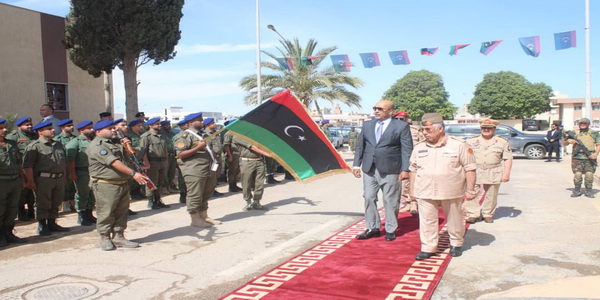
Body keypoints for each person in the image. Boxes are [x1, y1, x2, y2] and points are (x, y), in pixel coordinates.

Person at [409, 113, 477, 259]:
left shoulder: (458, 145)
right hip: (425, 189)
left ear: (440, 128)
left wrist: (470, 189)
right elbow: (413, 169)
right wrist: (412, 190)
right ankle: (428, 247)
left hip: (451, 190)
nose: (424, 133)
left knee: (454, 219)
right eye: (423, 130)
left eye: (428, 130)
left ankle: (456, 244)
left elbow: (470, 168)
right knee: (427, 220)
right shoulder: (419, 147)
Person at [352, 100, 413, 242]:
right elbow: (361, 146)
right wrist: (356, 165)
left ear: (390, 111)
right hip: (369, 168)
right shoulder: (367, 125)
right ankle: (372, 227)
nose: (376, 111)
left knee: (390, 200)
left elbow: (406, 149)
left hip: (391, 169)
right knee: (368, 197)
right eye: (375, 108)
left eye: (380, 108)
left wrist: (405, 169)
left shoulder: (401, 126)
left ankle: (390, 229)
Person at [87, 120, 145, 250]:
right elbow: (114, 163)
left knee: (122, 211)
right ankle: (105, 237)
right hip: (105, 184)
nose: (113, 130)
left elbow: (131, 157)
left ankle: (119, 236)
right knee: (106, 212)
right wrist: (133, 174)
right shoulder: (97, 145)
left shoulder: (116, 143)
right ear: (98, 132)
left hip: (121, 182)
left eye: (113, 128)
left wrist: (127, 147)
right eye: (110, 128)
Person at [22, 121, 69, 236]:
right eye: (49, 128)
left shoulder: (58, 145)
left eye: (52, 128)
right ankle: (42, 225)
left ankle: (52, 223)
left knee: (56, 201)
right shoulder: (35, 146)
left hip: (58, 178)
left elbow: (62, 162)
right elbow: (28, 166)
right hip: (43, 179)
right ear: (40, 132)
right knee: (43, 202)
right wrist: (31, 181)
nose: (53, 130)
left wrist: (63, 176)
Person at [174, 113, 221, 227]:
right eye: (199, 120)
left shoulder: (203, 135)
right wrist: (198, 147)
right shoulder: (184, 136)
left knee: (206, 193)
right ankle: (195, 219)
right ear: (190, 123)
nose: (202, 122)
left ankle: (204, 216)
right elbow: (181, 154)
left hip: (207, 168)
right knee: (195, 194)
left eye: (202, 120)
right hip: (194, 170)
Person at [465, 119, 513, 224]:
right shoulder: (471, 141)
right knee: (471, 191)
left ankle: (487, 214)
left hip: (493, 170)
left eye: (489, 128)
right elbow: (464, 158)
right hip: (474, 170)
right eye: (483, 128)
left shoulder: (502, 142)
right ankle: (473, 214)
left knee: (491, 194)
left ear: (494, 129)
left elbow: (508, 158)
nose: (486, 129)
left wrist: (506, 173)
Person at [0, 118, 27, 246]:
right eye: (1, 128)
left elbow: (18, 163)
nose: (4, 130)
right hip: (1, 181)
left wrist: (22, 179)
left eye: (4, 127)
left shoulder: (12, 144)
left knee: (12, 208)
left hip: (14, 180)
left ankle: (8, 233)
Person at [65, 120, 96, 226]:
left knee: (92, 194)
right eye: (89, 128)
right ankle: (81, 216)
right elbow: (70, 160)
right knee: (82, 194)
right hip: (81, 171)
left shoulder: (93, 141)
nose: (92, 130)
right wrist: (72, 173)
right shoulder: (75, 142)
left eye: (92, 127)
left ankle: (89, 213)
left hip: (93, 171)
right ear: (81, 130)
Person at [394, 111, 425, 215]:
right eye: (397, 119)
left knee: (414, 182)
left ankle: (414, 203)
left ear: (407, 120)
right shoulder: (392, 130)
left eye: (402, 119)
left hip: (415, 160)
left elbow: (423, 144)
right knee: (403, 183)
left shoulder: (415, 131)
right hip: (400, 160)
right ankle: (408, 203)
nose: (399, 121)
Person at [6, 117, 36, 221]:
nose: (30, 126)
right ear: (19, 126)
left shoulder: (35, 135)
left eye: (30, 124)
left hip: (34, 168)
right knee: (22, 192)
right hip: (21, 169)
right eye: (27, 125)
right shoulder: (13, 137)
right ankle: (21, 212)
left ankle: (32, 211)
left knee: (33, 193)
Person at [233, 135, 273, 211]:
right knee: (246, 183)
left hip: (259, 161)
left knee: (259, 183)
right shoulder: (237, 136)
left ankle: (256, 202)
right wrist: (268, 154)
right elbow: (252, 147)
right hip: (247, 161)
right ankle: (248, 202)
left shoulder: (253, 135)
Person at [563, 118, 600, 198]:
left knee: (589, 175)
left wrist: (596, 154)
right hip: (577, 157)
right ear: (579, 124)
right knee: (578, 175)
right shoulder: (574, 133)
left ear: (588, 124)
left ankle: (588, 191)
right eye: (581, 123)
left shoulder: (594, 133)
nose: (583, 124)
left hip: (590, 157)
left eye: (585, 123)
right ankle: (577, 191)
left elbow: (598, 144)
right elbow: (564, 143)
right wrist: (569, 141)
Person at [139, 117, 169, 209]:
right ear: (150, 125)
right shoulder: (146, 136)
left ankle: (158, 200)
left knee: (160, 182)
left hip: (162, 162)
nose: (159, 125)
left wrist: (166, 161)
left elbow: (165, 150)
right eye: (157, 124)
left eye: (159, 123)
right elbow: (142, 151)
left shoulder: (162, 135)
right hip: (152, 162)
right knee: (151, 182)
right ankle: (150, 201)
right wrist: (146, 164)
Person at [54, 119, 77, 213]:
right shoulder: (57, 140)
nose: (71, 127)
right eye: (69, 126)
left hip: (74, 165)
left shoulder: (75, 138)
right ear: (62, 127)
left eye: (72, 125)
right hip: (64, 166)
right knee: (65, 185)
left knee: (73, 186)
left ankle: (73, 203)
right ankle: (64, 204)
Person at [203, 118, 225, 197]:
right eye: (213, 123)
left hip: (218, 158)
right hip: (212, 159)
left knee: (216, 174)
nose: (215, 124)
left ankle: (213, 189)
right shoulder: (205, 134)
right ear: (208, 125)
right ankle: (211, 190)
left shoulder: (215, 133)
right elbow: (208, 148)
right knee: (212, 174)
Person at [173, 117, 191, 203]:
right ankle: (183, 194)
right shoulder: (179, 136)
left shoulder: (192, 134)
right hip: (183, 159)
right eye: (186, 125)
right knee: (182, 177)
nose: (188, 126)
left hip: (191, 159)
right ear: (182, 127)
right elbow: (177, 151)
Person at [223, 120, 242, 193]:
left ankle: (235, 184)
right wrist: (230, 155)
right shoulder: (228, 133)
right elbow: (226, 145)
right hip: (232, 153)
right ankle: (231, 186)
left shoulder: (237, 133)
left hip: (238, 153)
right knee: (232, 170)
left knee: (237, 170)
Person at [160, 120, 178, 194]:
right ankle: (164, 187)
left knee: (172, 172)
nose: (168, 126)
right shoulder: (161, 134)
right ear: (163, 126)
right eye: (166, 125)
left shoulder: (172, 134)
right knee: (165, 172)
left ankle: (170, 186)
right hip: (165, 155)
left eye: (169, 124)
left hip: (173, 154)